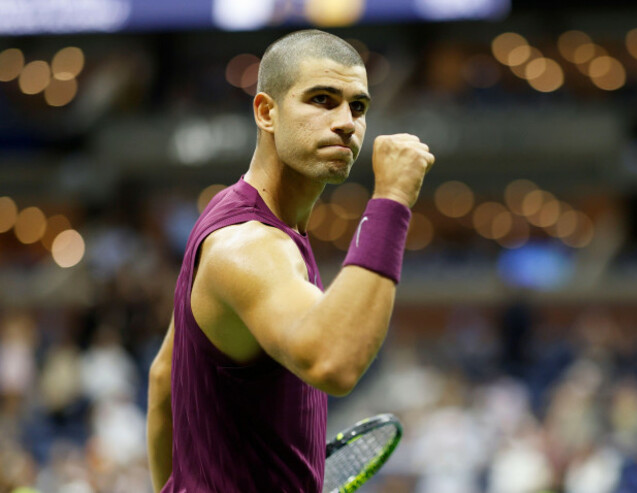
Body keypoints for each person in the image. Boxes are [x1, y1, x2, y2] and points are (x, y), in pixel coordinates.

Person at [146, 29, 435, 492]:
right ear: (266, 112)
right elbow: (333, 364)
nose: (346, 122)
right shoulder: (249, 247)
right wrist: (393, 198)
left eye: (358, 107)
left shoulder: (230, 212)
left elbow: (164, 379)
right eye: (322, 99)